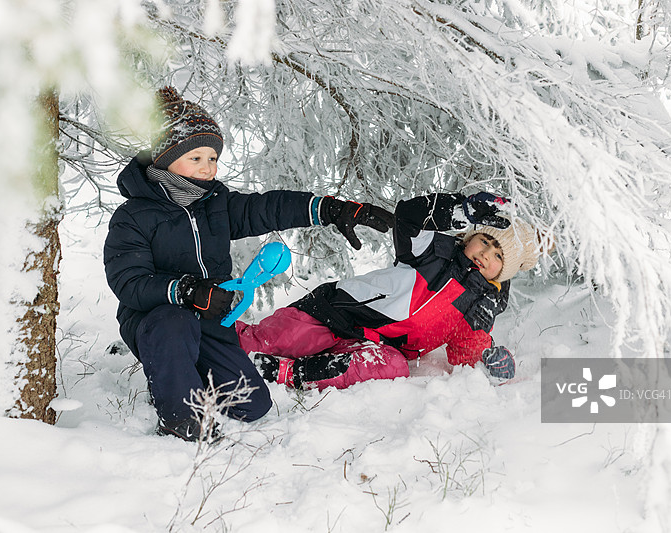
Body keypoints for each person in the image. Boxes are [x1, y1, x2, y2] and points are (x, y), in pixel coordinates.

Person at [103, 87, 393, 441]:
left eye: (213, 158)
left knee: (251, 405)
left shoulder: (216, 204)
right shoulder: (133, 215)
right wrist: (186, 290)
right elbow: (128, 281)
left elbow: (267, 207)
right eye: (196, 158)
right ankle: (179, 418)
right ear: (163, 158)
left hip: (211, 320)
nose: (208, 168)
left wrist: (332, 209)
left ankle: (181, 371)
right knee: (175, 324)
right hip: (156, 320)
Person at [236, 192, 549, 391]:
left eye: (498, 255)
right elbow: (409, 217)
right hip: (334, 313)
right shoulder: (432, 252)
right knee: (284, 339)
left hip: (382, 347)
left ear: (506, 271)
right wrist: (461, 209)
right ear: (471, 236)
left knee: (392, 367)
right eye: (485, 241)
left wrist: (487, 357)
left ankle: (292, 373)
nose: (486, 254)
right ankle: (215, 337)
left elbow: (465, 347)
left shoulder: (480, 305)